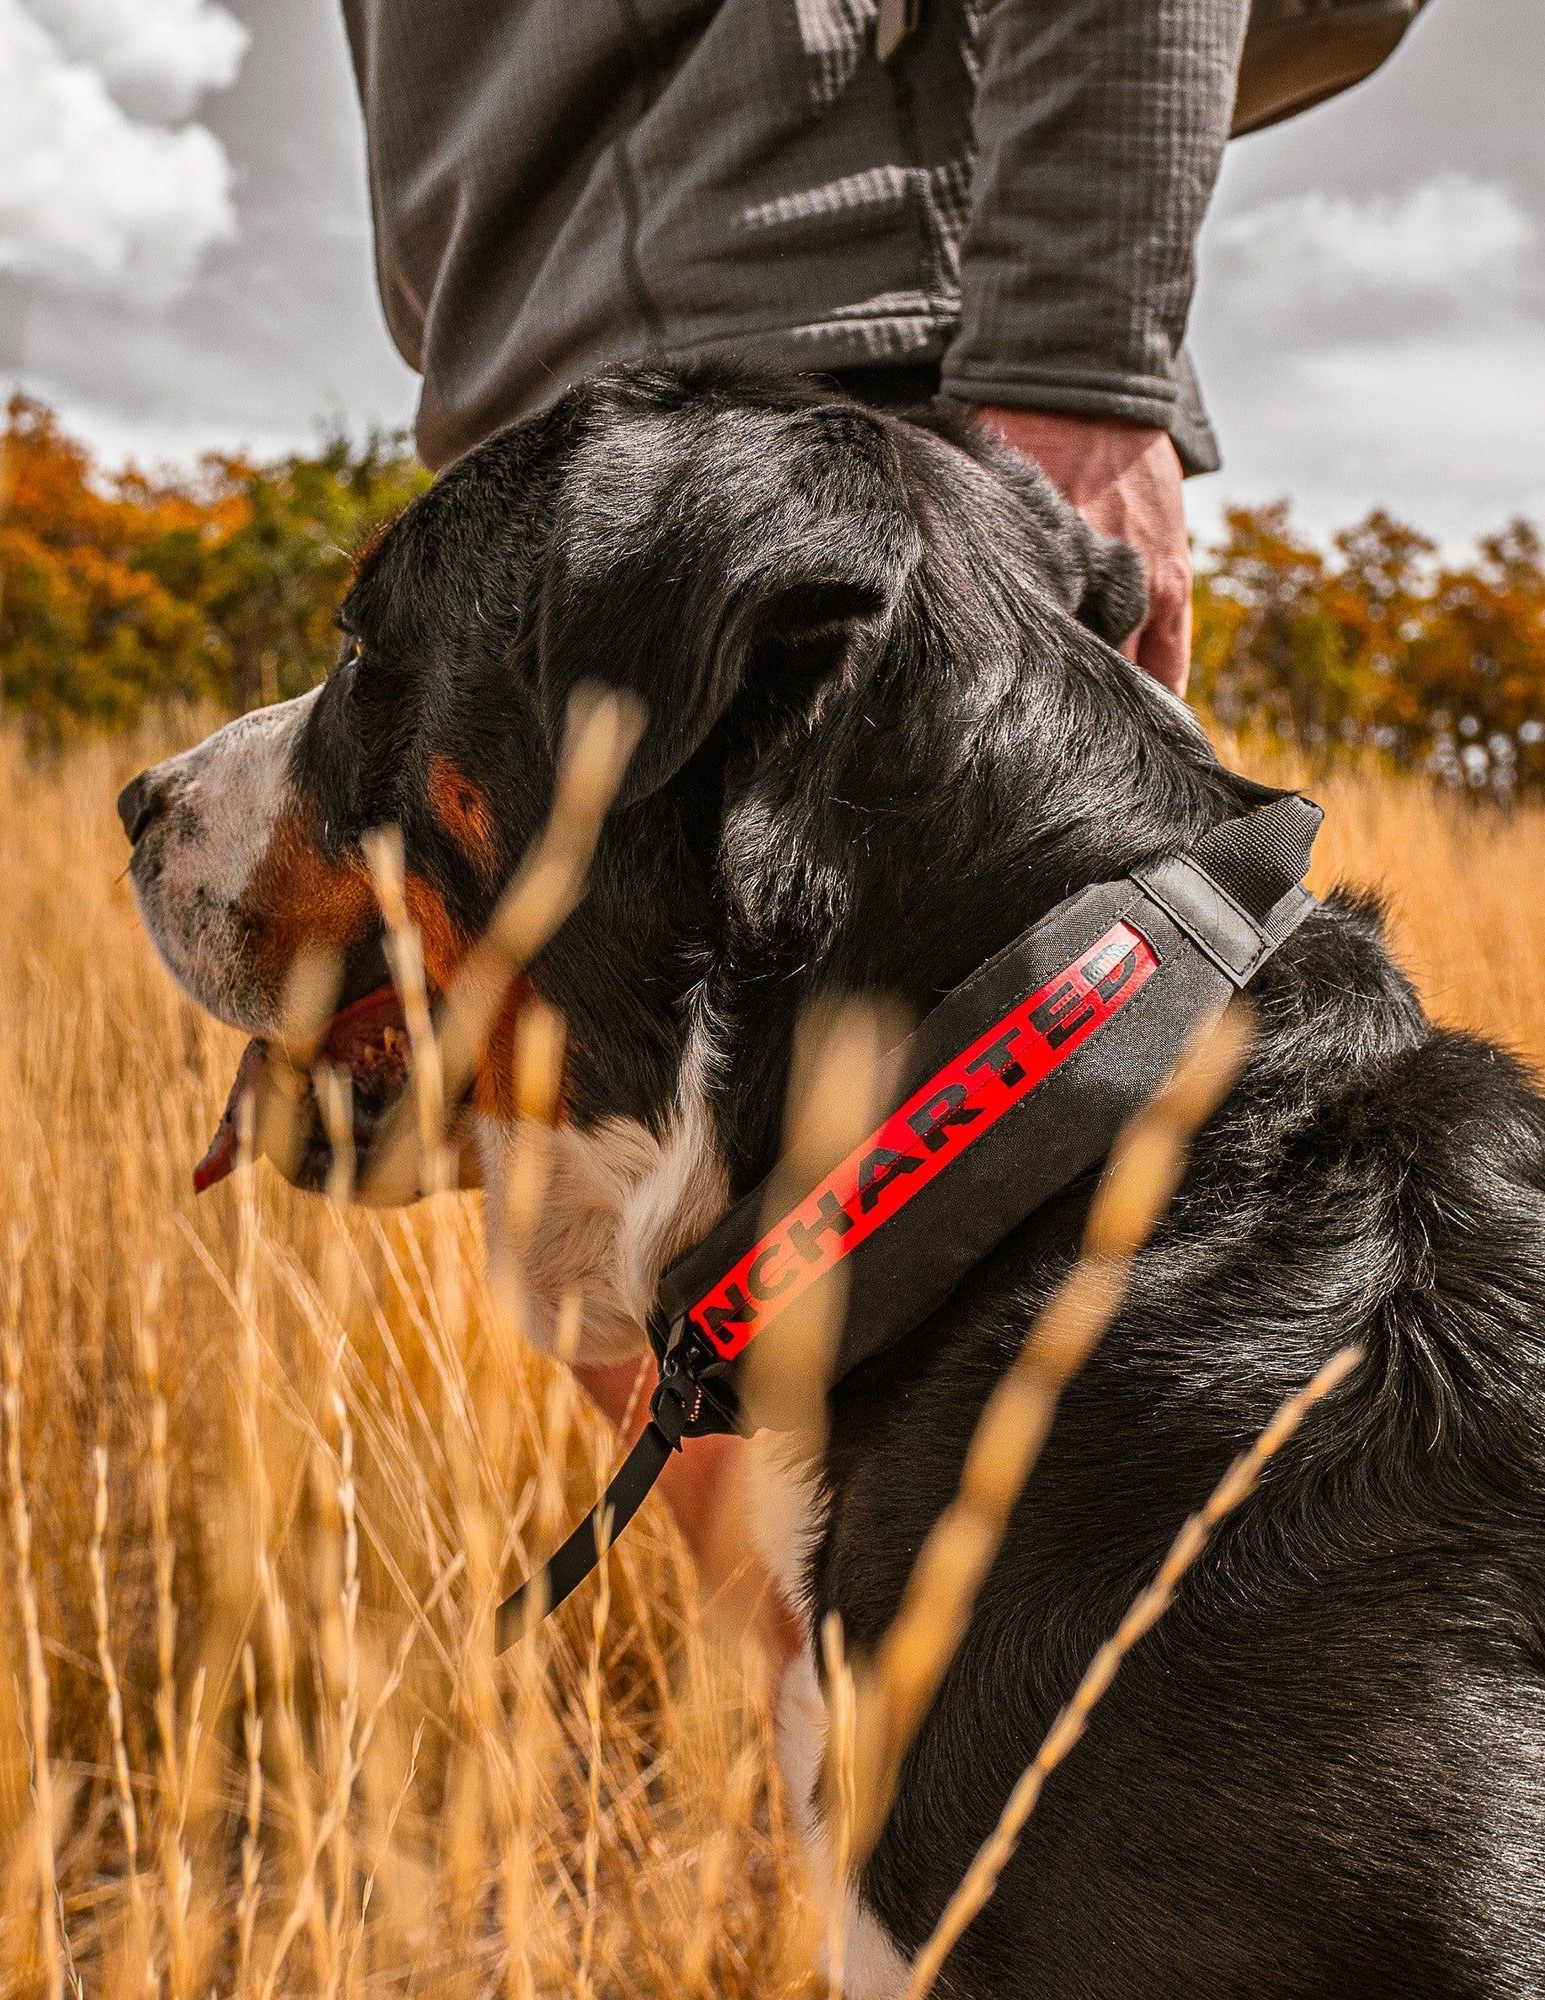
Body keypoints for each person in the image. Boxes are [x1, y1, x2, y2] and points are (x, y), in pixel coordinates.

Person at [337, 0, 1429, 1647]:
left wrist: (1077, 354)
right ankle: (905, 1878)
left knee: (1149, 1518)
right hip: (545, 497)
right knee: (716, 1427)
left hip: (830, 474)